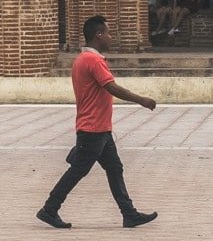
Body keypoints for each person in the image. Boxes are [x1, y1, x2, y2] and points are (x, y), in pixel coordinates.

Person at [38, 14, 159, 229]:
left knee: (115, 168)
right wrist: (141, 100)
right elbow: (111, 87)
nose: (111, 37)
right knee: (78, 170)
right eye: (108, 33)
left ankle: (129, 213)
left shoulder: (82, 59)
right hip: (92, 128)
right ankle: (49, 208)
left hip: (100, 129)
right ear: (98, 35)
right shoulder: (93, 61)